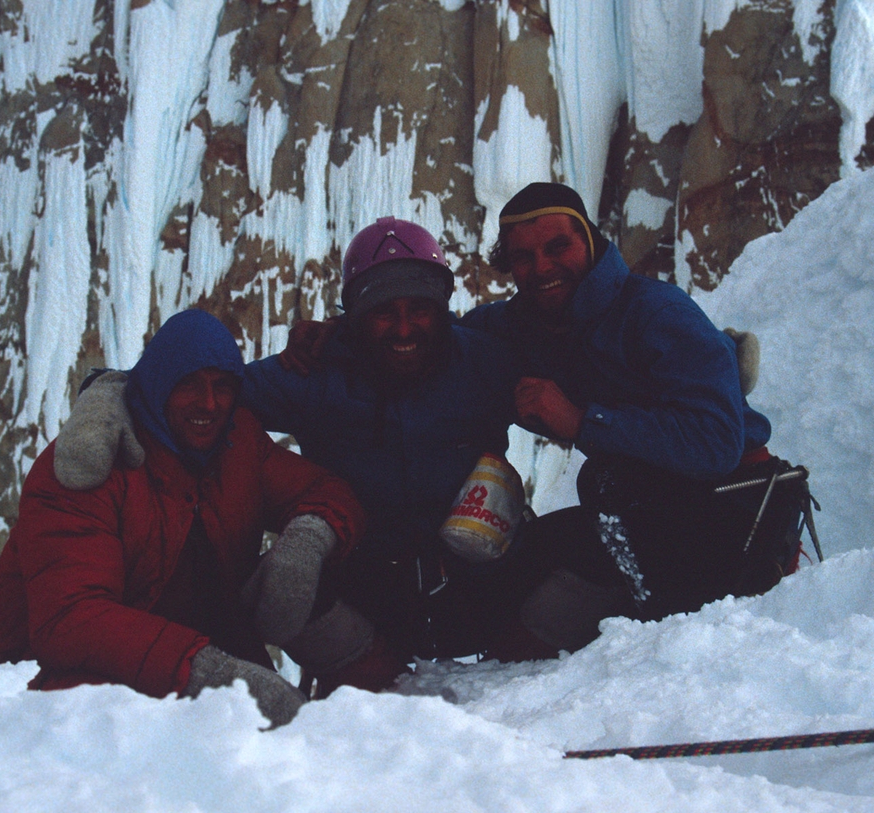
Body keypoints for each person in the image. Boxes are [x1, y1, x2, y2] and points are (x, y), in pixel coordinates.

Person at [52, 219, 550, 688]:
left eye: (419, 308)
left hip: (478, 577)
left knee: (581, 540)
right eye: (382, 312)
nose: (403, 328)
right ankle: (371, 675)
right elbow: (202, 395)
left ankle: (521, 671)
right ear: (354, 318)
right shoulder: (315, 376)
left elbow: (571, 361)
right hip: (371, 593)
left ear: (442, 308)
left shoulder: (483, 360)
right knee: (276, 585)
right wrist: (112, 391)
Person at [0, 309, 365, 727]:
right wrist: (212, 675)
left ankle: (384, 695)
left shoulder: (236, 444)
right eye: (189, 385)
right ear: (158, 386)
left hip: (176, 657)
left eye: (223, 387)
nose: (209, 403)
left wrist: (304, 543)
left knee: (315, 594)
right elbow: (73, 620)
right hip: (45, 681)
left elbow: (326, 492)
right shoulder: (88, 466)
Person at [461, 182, 808, 631]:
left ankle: (663, 630)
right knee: (519, 564)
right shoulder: (525, 322)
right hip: (643, 510)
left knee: (602, 487)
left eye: (557, 246)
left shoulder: (657, 312)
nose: (542, 267)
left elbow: (717, 442)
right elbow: (449, 338)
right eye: (523, 256)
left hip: (730, 508)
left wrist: (583, 421)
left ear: (587, 239)